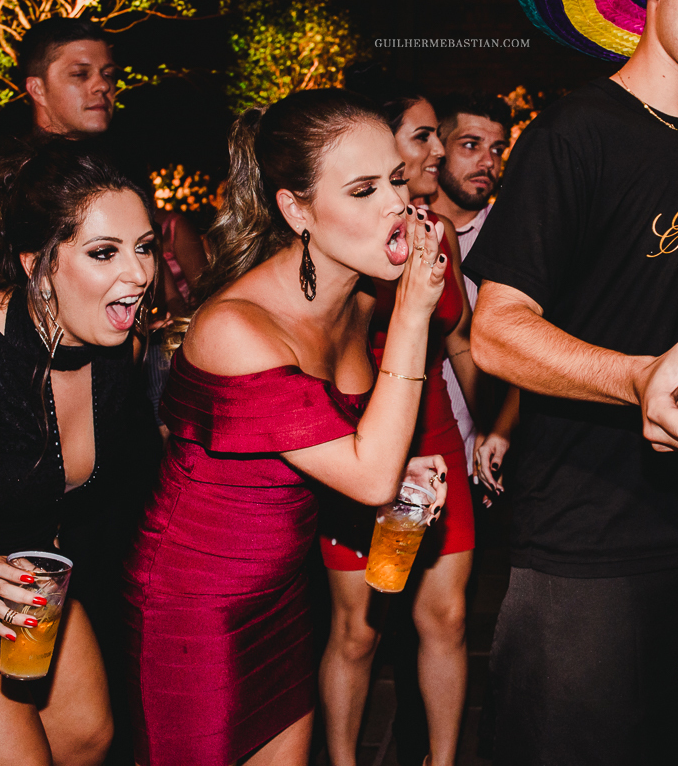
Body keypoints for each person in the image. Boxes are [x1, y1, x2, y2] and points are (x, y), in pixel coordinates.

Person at [465, 0, 678, 761]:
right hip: (590, 550)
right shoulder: (576, 132)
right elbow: (497, 330)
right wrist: (636, 379)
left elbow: (671, 334)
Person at [122, 88, 450, 766]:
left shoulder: (360, 300)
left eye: (395, 180)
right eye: (362, 190)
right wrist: (415, 314)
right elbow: (368, 476)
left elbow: (337, 453)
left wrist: (398, 467)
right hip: (194, 605)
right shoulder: (236, 327)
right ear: (297, 210)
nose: (395, 204)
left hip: (283, 594)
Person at [0, 137, 159, 764]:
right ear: (36, 263)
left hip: (25, 582)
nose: (138, 274)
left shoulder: (119, 350)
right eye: (104, 252)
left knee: (87, 739)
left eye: (145, 247)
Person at [319, 80, 480, 766]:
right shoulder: (346, 245)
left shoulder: (438, 232)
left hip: (437, 441)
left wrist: (494, 426)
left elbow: (459, 339)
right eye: (422, 136)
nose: (437, 149)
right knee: (360, 631)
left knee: (447, 616)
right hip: (359, 445)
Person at [0, 17, 118, 261]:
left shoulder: (118, 177)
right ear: (37, 89)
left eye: (108, 73)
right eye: (79, 74)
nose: (102, 85)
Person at [428, 93, 512, 478]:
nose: (488, 162)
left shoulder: (513, 236)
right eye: (470, 145)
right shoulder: (400, 233)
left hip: (492, 457)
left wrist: (499, 429)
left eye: (497, 149)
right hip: (421, 455)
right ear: (437, 149)